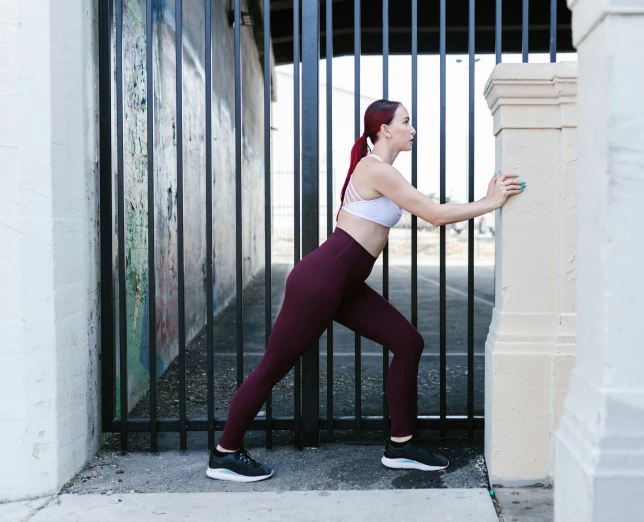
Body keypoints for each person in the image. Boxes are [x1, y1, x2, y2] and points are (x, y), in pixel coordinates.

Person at [206, 99, 525, 482]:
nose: (413, 129)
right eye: (406, 122)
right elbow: (435, 215)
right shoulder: (375, 168)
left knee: (408, 342)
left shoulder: (380, 169)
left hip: (344, 283)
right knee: (272, 367)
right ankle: (225, 453)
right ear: (385, 129)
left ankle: (402, 446)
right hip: (321, 282)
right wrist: (490, 202)